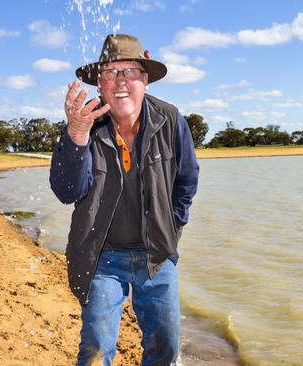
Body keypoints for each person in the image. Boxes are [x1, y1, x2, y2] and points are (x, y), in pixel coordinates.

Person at [49, 34, 199, 366]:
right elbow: (66, 191)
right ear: (98, 83)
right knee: (96, 349)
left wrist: (172, 226)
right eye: (110, 72)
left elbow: (187, 179)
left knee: (166, 349)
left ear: (145, 80)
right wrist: (76, 135)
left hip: (156, 255)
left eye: (130, 71)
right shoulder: (84, 123)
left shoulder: (171, 119)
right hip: (101, 257)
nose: (120, 81)